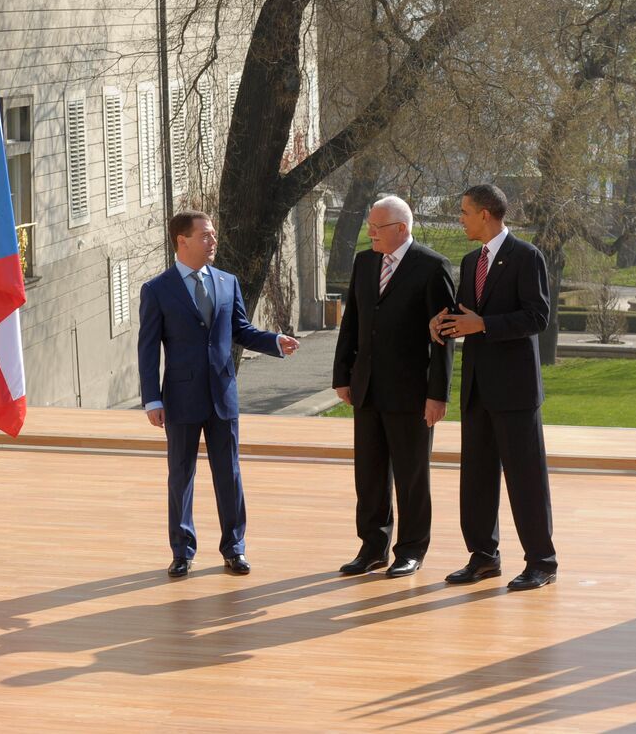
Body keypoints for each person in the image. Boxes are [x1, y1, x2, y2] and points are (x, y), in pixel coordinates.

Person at [138, 210, 299, 578]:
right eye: (206, 236)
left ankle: (234, 548)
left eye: (213, 235)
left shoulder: (227, 282)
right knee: (181, 475)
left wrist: (274, 341)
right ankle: (182, 551)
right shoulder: (157, 290)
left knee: (229, 474)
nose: (214, 241)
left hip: (222, 395)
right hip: (180, 398)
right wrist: (152, 399)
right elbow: (147, 350)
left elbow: (240, 329)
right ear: (183, 241)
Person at [433, 184, 557, 591]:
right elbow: (466, 312)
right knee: (477, 478)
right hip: (477, 388)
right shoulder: (471, 262)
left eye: (465, 211)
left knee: (526, 480)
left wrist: (483, 325)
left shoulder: (527, 257)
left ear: (486, 213)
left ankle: (542, 561)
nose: (461, 218)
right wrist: (442, 321)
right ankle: (484, 557)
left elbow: (537, 317)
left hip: (515, 391)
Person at [332, 196, 455, 578]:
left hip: (411, 393)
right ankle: (372, 547)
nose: (370, 234)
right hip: (366, 386)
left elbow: (444, 338)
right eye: (369, 226)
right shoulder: (365, 262)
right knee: (368, 474)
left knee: (411, 474)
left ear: (401, 229)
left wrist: (438, 394)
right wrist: (342, 375)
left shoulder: (433, 268)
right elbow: (351, 320)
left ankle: (411, 549)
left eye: (377, 228)